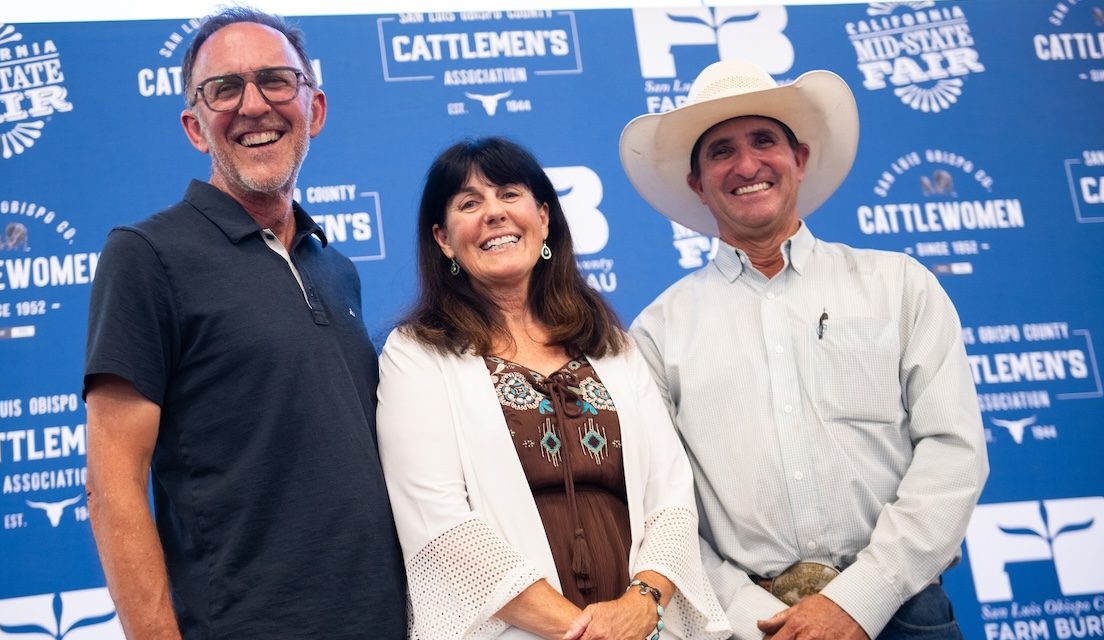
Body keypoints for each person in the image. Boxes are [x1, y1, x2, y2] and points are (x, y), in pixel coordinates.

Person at [620, 59, 989, 640]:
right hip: (748, 627)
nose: (746, 165)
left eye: (764, 140)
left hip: (903, 614)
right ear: (698, 184)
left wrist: (859, 598)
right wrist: (752, 619)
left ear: (800, 159)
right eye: (720, 151)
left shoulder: (900, 285)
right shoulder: (655, 335)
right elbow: (662, 507)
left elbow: (954, 453)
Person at [82, 8, 407, 639]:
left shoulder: (336, 267)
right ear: (195, 127)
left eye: (276, 81)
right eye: (223, 89)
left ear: (313, 109)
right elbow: (111, 481)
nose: (252, 105)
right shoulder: (146, 255)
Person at [376, 137, 731, 640]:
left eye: (509, 194)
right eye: (469, 203)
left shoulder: (610, 345)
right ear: (442, 238)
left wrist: (642, 605)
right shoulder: (417, 354)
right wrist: (587, 632)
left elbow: (671, 497)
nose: (493, 214)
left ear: (543, 218)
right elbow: (439, 523)